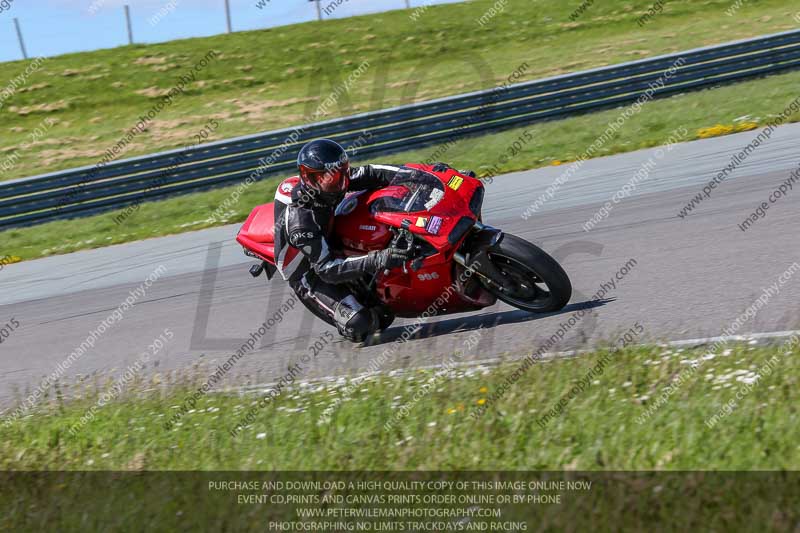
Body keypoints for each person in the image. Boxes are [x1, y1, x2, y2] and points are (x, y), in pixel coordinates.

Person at [272, 138, 414, 342]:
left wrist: (422, 174)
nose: (337, 184)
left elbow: (374, 172)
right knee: (364, 323)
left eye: (341, 174)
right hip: (311, 273)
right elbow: (327, 270)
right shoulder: (301, 221)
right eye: (327, 178)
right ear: (309, 178)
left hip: (331, 242)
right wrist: (379, 259)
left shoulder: (336, 180)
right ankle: (348, 322)